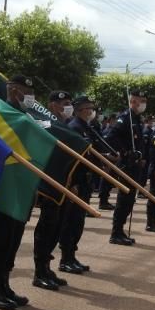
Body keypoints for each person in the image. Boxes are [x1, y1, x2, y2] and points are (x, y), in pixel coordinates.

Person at [0, 74, 37, 308]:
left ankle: (5, 285)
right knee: (1, 238)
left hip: (22, 187)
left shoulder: (26, 116)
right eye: (26, 91)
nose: (30, 97)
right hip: (4, 187)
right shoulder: (0, 114)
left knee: (14, 238)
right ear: (14, 91)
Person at [31, 90, 74, 290]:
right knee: (47, 227)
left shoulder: (65, 126)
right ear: (52, 105)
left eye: (69, 103)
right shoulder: (44, 123)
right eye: (64, 103)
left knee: (57, 226)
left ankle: (47, 268)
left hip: (64, 184)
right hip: (49, 183)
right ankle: (40, 271)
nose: (67, 107)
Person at [58, 95, 97, 274]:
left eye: (91, 107)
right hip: (76, 181)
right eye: (87, 108)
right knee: (71, 221)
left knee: (78, 221)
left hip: (85, 180)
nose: (91, 111)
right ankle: (66, 258)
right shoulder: (74, 127)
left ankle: (71, 256)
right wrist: (71, 182)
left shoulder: (86, 127)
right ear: (80, 110)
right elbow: (70, 159)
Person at [106, 90, 147, 246]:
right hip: (127, 165)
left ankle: (120, 230)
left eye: (144, 100)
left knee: (129, 200)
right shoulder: (125, 118)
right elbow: (111, 136)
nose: (143, 104)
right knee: (124, 199)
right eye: (140, 100)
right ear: (133, 101)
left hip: (135, 164)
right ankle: (115, 232)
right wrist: (125, 152)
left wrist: (139, 155)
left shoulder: (136, 118)